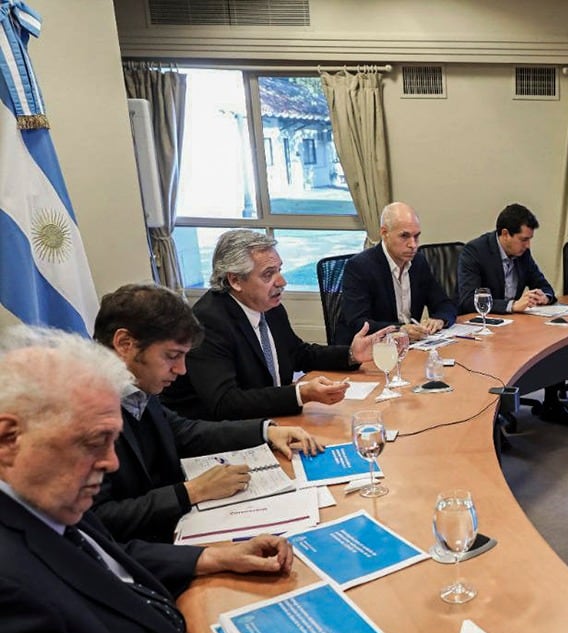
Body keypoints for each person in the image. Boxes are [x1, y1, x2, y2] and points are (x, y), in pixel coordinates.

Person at [0, 325, 317, 633]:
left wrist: (212, 557)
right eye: (94, 442)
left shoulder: (43, 495)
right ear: (9, 439)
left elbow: (101, 562)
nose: (111, 462)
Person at [90, 284, 324, 543]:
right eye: (171, 356)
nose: (181, 370)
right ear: (125, 343)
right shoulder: (81, 410)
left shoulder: (134, 386)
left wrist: (266, 431)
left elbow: (183, 432)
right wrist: (191, 492)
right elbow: (99, 519)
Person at [162, 229, 393, 420]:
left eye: (279, 270)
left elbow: (298, 353)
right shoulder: (209, 322)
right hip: (221, 439)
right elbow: (225, 403)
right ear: (235, 280)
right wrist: (299, 394)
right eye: (268, 274)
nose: (282, 281)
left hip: (276, 420)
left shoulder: (270, 307)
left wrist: (351, 355)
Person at [457, 203, 568, 426]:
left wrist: (545, 296)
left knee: (555, 338)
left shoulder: (523, 253)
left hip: (513, 325)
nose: (528, 244)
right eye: (524, 239)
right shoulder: (475, 251)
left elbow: (545, 285)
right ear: (505, 234)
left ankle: (551, 403)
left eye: (529, 239)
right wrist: (512, 305)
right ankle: (494, 416)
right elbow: (468, 300)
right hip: (483, 328)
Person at [336, 201, 458, 342]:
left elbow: (445, 303)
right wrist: (400, 329)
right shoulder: (359, 267)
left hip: (408, 347)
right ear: (384, 233)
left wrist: (440, 319)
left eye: (416, 236)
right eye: (404, 236)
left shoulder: (418, 262)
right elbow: (358, 323)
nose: (413, 244)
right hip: (371, 350)